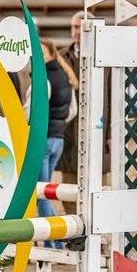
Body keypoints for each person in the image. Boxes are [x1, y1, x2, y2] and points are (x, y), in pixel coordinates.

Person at [36, 39, 77, 232]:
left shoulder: (44, 78)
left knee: (42, 193)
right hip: (58, 139)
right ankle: (56, 238)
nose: (38, 57)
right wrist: (59, 124)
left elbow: (31, 112)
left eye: (42, 53)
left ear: (52, 55)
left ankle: (57, 238)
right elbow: (72, 111)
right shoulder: (65, 77)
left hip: (44, 139)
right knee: (48, 191)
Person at [57, 10, 86, 184]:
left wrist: (110, 134)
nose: (76, 31)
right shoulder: (61, 56)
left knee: (99, 178)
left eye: (80, 27)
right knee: (68, 177)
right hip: (68, 124)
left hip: (97, 123)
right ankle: (70, 212)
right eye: (73, 27)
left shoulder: (104, 57)